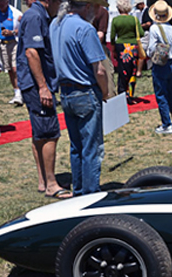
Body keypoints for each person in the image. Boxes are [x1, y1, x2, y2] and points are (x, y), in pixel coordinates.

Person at [50, 0, 109, 196]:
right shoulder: (85, 28)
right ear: (87, 6)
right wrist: (105, 91)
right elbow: (99, 69)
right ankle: (90, 193)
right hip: (85, 90)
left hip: (66, 92)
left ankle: (79, 190)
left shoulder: (55, 24)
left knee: (76, 146)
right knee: (91, 147)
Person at [17, 0, 73, 197]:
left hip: (34, 82)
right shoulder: (35, 16)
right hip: (36, 84)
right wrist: (43, 87)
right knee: (49, 132)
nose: (61, 4)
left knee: (40, 132)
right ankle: (51, 184)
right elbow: (31, 52)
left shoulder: (38, 15)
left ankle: (44, 181)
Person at [147, 0, 172, 134]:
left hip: (160, 65)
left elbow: (151, 49)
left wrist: (151, 55)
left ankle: (166, 124)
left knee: (161, 94)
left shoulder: (154, 29)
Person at [110, 0, 144, 103]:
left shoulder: (115, 20)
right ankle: (130, 95)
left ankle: (121, 93)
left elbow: (112, 36)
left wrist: (113, 49)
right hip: (132, 46)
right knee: (132, 71)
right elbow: (141, 33)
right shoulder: (134, 19)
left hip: (121, 46)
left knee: (122, 71)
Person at [0, 0, 23, 105]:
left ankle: (20, 92)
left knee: (15, 68)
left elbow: (23, 28)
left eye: (2, 1)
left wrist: (12, 32)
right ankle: (16, 92)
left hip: (14, 43)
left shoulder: (16, 13)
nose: (0, 3)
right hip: (2, 44)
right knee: (9, 69)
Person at [92, 4, 116, 97]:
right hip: (97, 47)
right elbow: (100, 34)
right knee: (107, 74)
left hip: (93, 47)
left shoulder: (80, 10)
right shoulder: (102, 11)